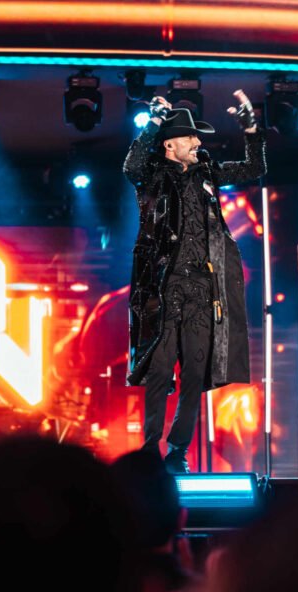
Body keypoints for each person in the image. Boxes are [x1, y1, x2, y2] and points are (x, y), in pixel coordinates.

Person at [123, 90, 266, 473]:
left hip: (202, 291)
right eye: (190, 137)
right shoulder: (152, 177)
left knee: (194, 376)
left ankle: (177, 452)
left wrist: (251, 128)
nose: (198, 142)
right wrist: (154, 121)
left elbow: (254, 167)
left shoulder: (207, 174)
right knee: (159, 372)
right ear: (170, 144)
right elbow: (132, 166)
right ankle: (149, 451)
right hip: (164, 291)